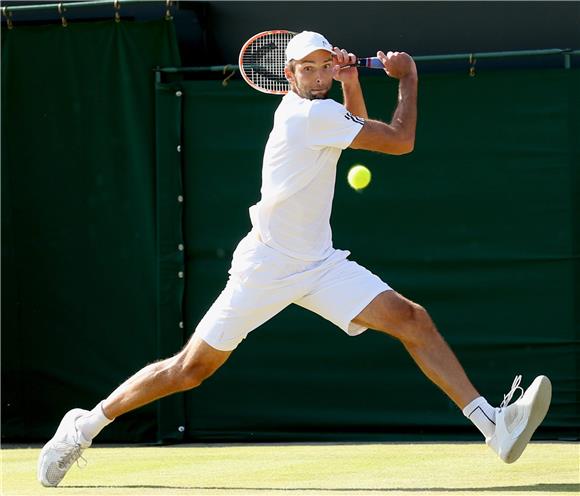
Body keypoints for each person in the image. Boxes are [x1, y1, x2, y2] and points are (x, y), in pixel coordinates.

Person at [37, 31, 552, 487]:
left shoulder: (325, 111)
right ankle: (82, 426)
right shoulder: (307, 115)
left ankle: (495, 427)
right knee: (189, 370)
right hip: (266, 267)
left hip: (320, 264)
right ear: (289, 75)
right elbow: (399, 141)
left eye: (326, 64)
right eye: (308, 67)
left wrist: (351, 79)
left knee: (411, 319)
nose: (319, 73)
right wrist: (408, 77)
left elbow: (355, 123)